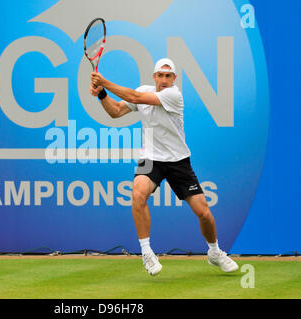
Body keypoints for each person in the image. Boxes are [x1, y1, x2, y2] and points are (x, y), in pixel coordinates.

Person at [90, 58, 238, 276]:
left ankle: (215, 252)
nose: (164, 79)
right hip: (151, 158)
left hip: (178, 160)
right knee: (138, 194)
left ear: (174, 79)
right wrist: (102, 94)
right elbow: (116, 111)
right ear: (154, 77)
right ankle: (147, 253)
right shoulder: (144, 90)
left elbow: (135, 97)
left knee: (203, 213)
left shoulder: (173, 95)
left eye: (168, 76)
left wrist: (105, 82)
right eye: (160, 75)